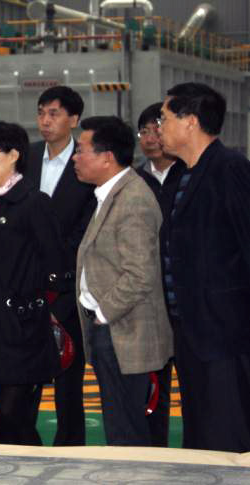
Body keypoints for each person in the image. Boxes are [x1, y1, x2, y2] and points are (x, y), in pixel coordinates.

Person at [158, 82, 250, 453]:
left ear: (190, 121)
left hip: (226, 332)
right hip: (189, 330)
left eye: (164, 118)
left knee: (229, 435)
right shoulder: (180, 175)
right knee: (200, 437)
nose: (159, 128)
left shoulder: (230, 169)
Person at [0, 121, 66, 446]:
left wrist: (29, 303)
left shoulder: (33, 202)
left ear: (14, 155)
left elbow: (56, 263)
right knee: (2, 412)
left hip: (21, 325)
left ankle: (32, 468)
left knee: (15, 414)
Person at [73, 116, 173, 446]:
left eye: (81, 150)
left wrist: (103, 314)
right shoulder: (110, 195)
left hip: (124, 332)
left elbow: (140, 273)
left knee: (128, 432)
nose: (75, 158)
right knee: (120, 426)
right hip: (112, 330)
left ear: (107, 157)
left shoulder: (133, 199)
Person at [25, 85, 95, 446]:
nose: (45, 120)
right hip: (27, 285)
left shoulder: (86, 160)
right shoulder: (26, 157)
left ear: (74, 118)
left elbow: (88, 226)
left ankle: (71, 447)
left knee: (68, 379)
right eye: (41, 112)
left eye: (54, 113)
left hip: (68, 286)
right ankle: (25, 445)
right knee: (26, 376)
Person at [134, 102, 184, 447]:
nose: (151, 138)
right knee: (152, 389)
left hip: (187, 301)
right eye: (144, 131)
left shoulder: (190, 175)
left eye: (157, 129)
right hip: (149, 302)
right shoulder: (134, 181)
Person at [135, 102, 186, 217]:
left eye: (157, 131)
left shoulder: (188, 173)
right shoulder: (136, 179)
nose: (149, 140)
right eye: (144, 132)